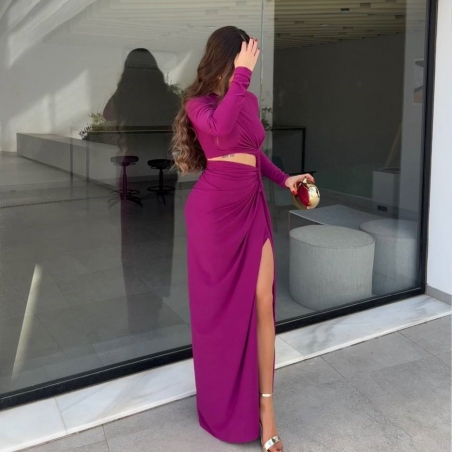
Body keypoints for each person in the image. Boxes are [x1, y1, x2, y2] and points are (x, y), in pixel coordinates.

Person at [172, 26, 315, 451]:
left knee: (264, 301)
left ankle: (266, 407)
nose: (250, 65)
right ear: (227, 59)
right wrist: (242, 75)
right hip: (212, 215)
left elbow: (253, 153)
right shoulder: (198, 104)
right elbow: (219, 130)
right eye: (245, 57)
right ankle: (222, 403)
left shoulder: (247, 99)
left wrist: (285, 178)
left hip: (251, 206)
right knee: (219, 312)